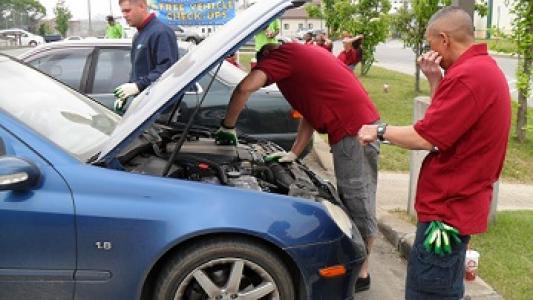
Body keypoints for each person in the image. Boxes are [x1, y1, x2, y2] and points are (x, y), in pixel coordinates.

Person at [357, 7, 511, 299]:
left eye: (431, 45)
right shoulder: (478, 70)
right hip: (458, 204)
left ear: (444, 40)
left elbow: (427, 136)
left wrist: (377, 130)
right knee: (444, 287)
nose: (431, 51)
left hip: (448, 210)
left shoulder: (468, 76)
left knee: (428, 291)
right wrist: (434, 78)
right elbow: (448, 125)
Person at [214, 42, 381, 292]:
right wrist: (293, 153)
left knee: (358, 199)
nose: (269, 80)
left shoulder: (282, 55)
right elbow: (309, 114)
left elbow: (244, 87)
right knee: (353, 196)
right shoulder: (300, 61)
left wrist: (228, 127)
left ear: (266, 59)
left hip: (354, 131)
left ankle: (362, 273)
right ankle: (358, 263)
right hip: (354, 127)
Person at [113, 0, 178, 113]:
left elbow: (167, 70)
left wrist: (138, 86)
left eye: (127, 10)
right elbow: (138, 70)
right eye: (122, 11)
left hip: (160, 110)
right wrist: (127, 90)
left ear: (142, 6)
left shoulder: (161, 32)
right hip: (144, 106)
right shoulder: (138, 35)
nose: (124, 15)